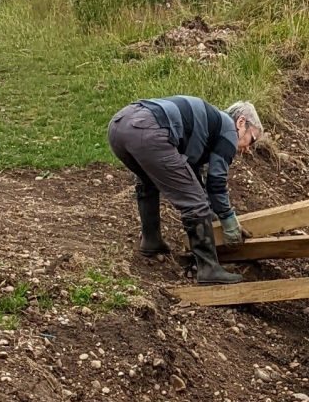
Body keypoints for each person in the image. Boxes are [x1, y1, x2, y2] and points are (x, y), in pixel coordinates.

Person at [106, 96, 265, 284]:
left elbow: (191, 176)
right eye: (252, 139)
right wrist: (228, 219)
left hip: (120, 125)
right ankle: (208, 269)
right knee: (195, 203)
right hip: (147, 129)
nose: (247, 149)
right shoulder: (229, 130)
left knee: (148, 181)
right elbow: (216, 182)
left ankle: (151, 241)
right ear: (241, 122)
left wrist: (212, 215)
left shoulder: (209, 124)